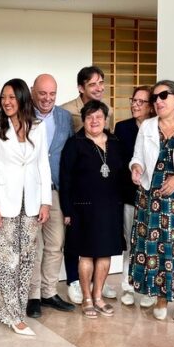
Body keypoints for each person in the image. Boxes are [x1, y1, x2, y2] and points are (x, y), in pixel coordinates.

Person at [0, 78, 52, 335]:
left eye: (11, 97)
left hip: (32, 203)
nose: (6, 102)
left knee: (25, 260)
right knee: (5, 261)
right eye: (3, 97)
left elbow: (42, 166)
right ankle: (11, 315)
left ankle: (17, 310)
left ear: (23, 98)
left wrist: (46, 201)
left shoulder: (38, 126)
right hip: (4, 204)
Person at [60, 100, 125, 319]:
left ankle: (98, 296)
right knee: (86, 254)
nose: (94, 121)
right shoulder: (74, 143)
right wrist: (67, 210)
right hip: (83, 209)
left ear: (106, 120)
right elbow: (65, 179)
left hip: (111, 207)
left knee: (105, 254)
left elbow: (123, 174)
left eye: (99, 117)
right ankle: (87, 298)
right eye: (89, 117)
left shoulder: (115, 142)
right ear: (84, 120)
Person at [61, 66, 116, 303]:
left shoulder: (108, 111)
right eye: (93, 84)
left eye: (101, 82)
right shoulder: (65, 111)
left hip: (101, 189)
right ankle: (74, 280)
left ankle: (97, 286)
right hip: (76, 182)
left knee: (100, 240)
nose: (99, 88)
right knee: (76, 239)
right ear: (81, 87)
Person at [129, 80, 174, 322]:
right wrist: (136, 168)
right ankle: (161, 298)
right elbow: (137, 156)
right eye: (155, 98)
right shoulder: (148, 126)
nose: (158, 101)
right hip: (151, 198)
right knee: (157, 250)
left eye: (163, 96)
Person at [26, 74, 75, 318]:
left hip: (56, 191)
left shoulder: (64, 117)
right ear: (33, 91)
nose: (47, 98)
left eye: (52, 94)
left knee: (55, 245)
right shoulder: (22, 115)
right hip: (30, 191)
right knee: (33, 245)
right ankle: (33, 295)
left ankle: (48, 292)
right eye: (43, 93)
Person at [114, 85, 156, 308]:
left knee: (152, 244)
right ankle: (128, 287)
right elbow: (118, 163)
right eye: (134, 100)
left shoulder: (159, 128)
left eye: (141, 101)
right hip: (130, 195)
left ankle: (150, 289)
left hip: (155, 196)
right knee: (131, 243)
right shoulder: (122, 128)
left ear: (151, 106)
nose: (135, 105)